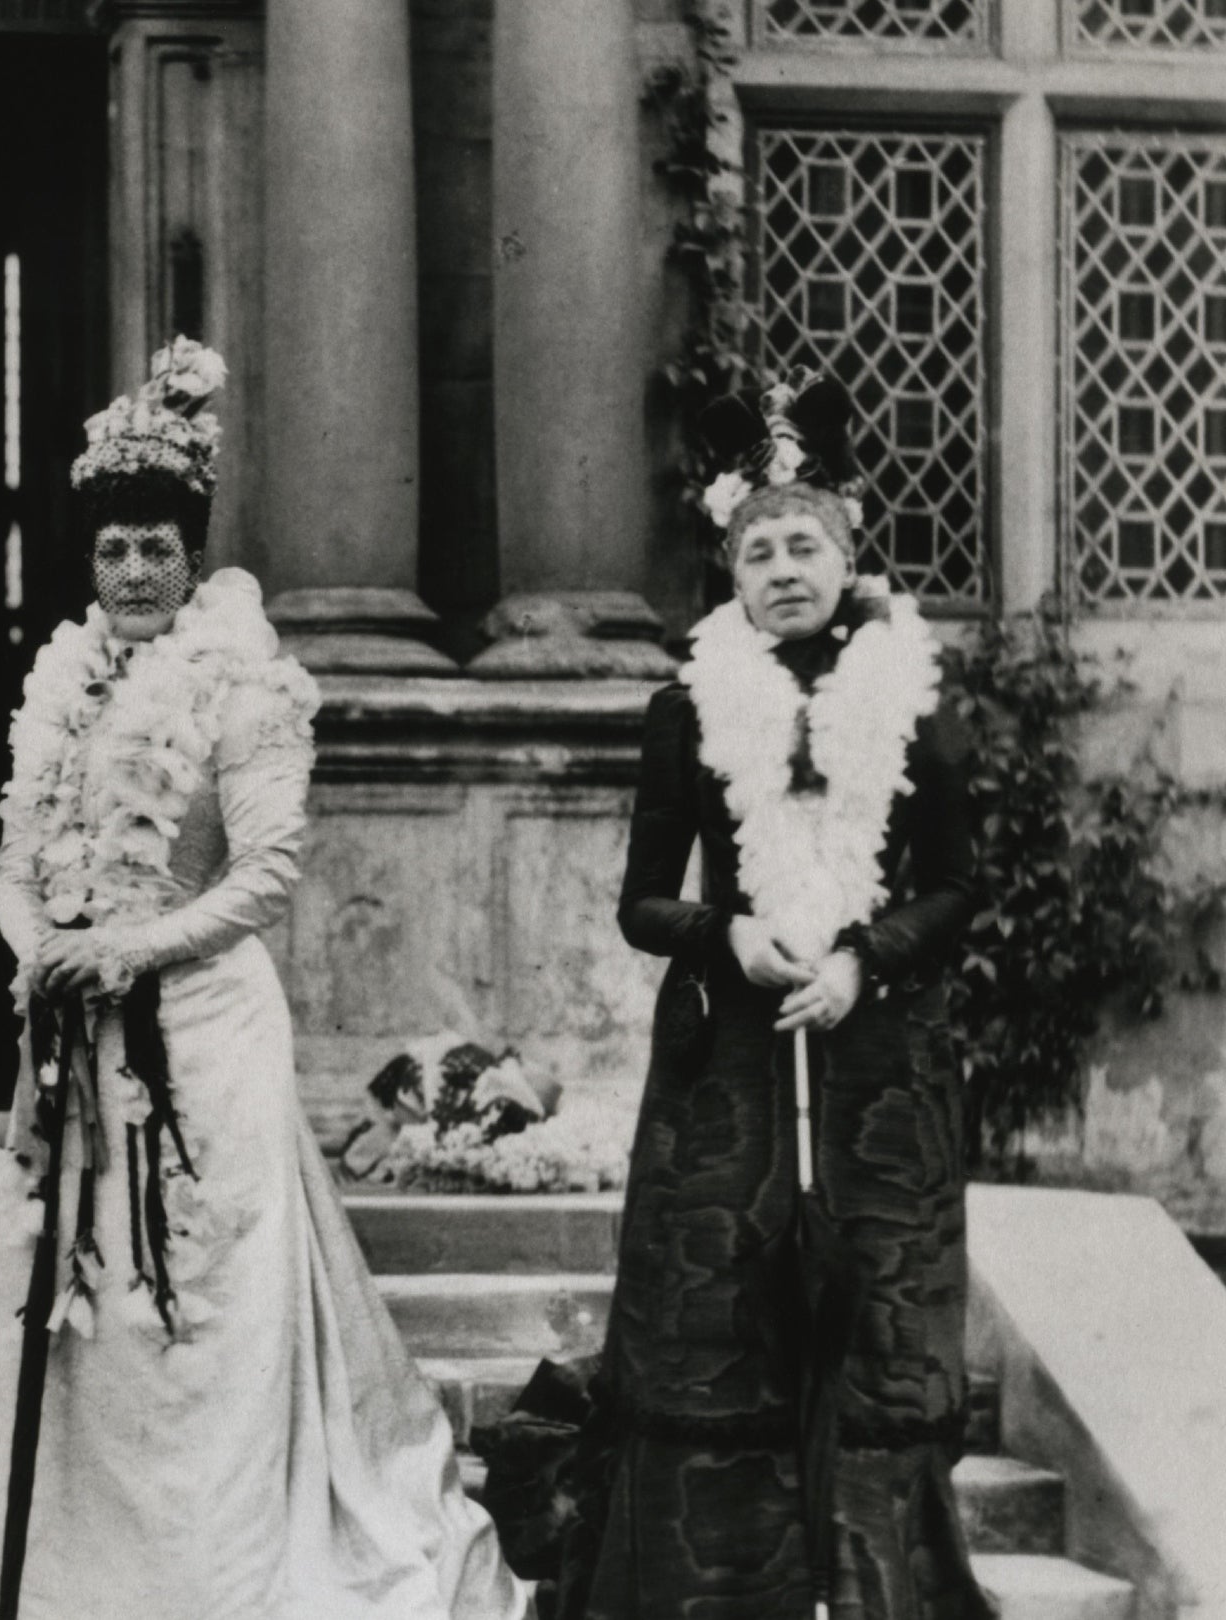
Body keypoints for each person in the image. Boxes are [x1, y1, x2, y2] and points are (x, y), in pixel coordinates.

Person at [0, 339, 525, 1620]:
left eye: (157, 548)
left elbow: (268, 874)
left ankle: (204, 1581)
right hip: (74, 1039)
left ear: (193, 553)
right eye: (112, 551)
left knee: (194, 1304)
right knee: (77, 1296)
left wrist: (130, 950)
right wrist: (38, 952)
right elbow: (14, 858)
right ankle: (84, 1576)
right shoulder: (60, 686)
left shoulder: (246, 684)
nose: (134, 574)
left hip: (202, 1036)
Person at [489, 379, 991, 1619]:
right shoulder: (690, 708)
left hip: (880, 1057)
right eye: (757, 549)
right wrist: (732, 934)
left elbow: (959, 884)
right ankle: (729, 1584)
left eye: (803, 544)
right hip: (733, 1059)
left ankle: (867, 1583)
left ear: (848, 550)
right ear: (730, 567)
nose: (781, 569)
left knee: (871, 1317)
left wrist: (864, 959)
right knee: (720, 1315)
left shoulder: (913, 700)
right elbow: (642, 903)